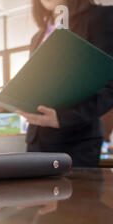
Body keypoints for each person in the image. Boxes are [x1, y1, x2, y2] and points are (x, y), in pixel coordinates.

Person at [15, 0, 113, 167]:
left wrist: (63, 118)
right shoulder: (37, 38)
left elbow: (110, 84)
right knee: (34, 193)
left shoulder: (100, 17)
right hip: (36, 140)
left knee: (76, 193)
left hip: (76, 141)